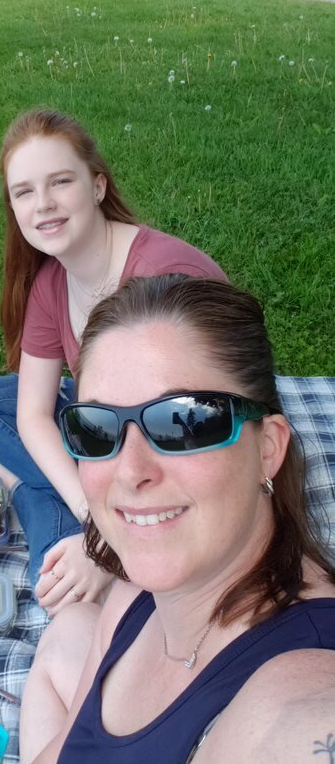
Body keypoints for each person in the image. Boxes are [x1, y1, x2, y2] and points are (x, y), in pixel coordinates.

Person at [21, 275, 335, 763]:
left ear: (268, 448)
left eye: (183, 423)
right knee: (67, 629)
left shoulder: (298, 691)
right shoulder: (133, 594)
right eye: (97, 429)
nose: (130, 472)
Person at [0, 109, 226, 618]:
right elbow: (31, 414)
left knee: (66, 597)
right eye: (24, 192)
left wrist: (104, 541)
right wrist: (90, 511)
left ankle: (21, 486)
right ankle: (39, 492)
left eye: (60, 182)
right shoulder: (52, 281)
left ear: (97, 185)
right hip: (109, 429)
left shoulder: (163, 277)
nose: (43, 204)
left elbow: (189, 439)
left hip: (174, 443)